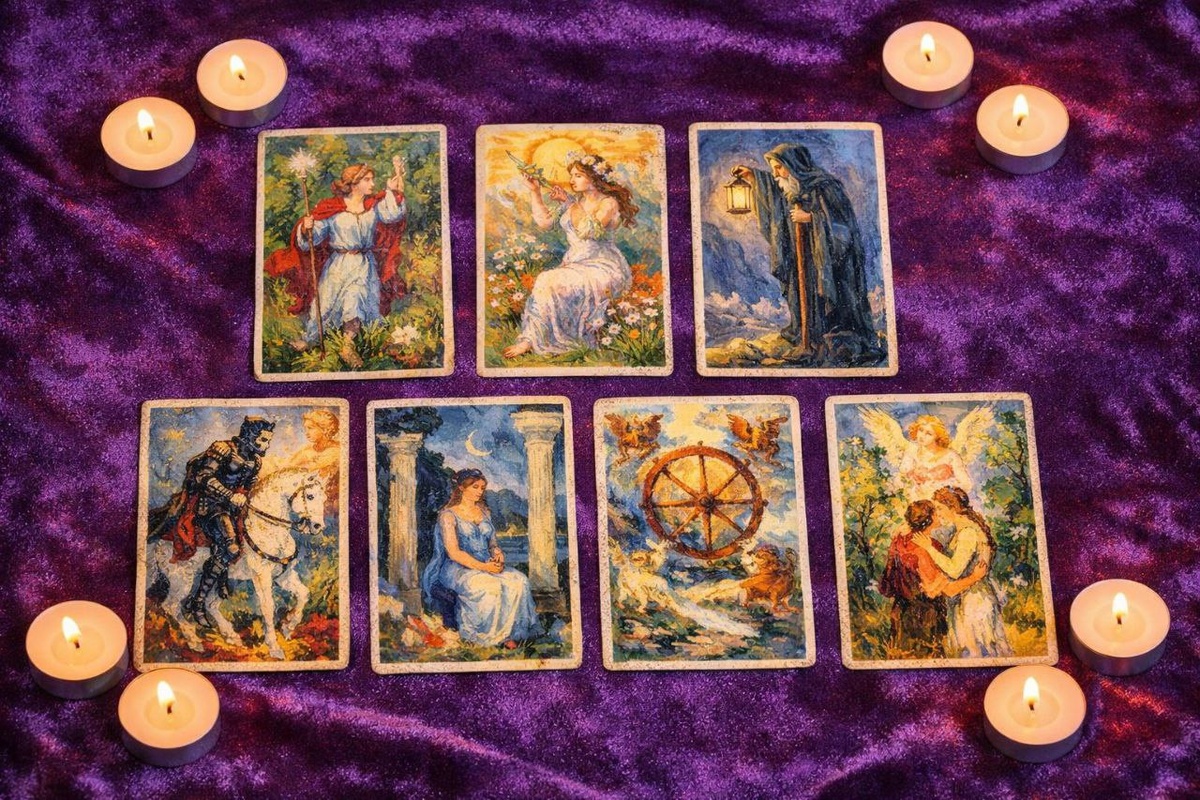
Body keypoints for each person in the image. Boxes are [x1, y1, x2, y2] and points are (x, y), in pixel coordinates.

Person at [732, 143, 881, 365]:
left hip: (831, 265)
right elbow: (776, 193)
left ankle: (829, 341)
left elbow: (845, 229)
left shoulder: (827, 187)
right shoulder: (792, 187)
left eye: (779, 167)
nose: (775, 174)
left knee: (831, 304)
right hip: (802, 260)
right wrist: (753, 177)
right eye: (773, 169)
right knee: (801, 293)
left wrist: (813, 219)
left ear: (795, 166)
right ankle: (806, 338)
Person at [265, 159, 408, 368]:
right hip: (338, 265)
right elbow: (312, 240)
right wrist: (307, 227)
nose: (372, 183)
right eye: (367, 180)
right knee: (326, 305)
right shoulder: (332, 209)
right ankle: (311, 339)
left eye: (372, 179)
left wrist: (393, 186)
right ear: (354, 184)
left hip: (364, 265)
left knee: (355, 297)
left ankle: (347, 345)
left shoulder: (373, 207)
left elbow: (393, 214)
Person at [502, 153, 636, 358]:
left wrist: (570, 203)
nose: (572, 180)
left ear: (594, 177)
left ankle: (537, 340)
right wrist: (535, 192)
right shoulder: (575, 201)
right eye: (571, 175)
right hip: (575, 265)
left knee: (549, 279)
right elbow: (545, 223)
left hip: (603, 266)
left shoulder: (608, 203)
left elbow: (589, 231)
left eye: (578, 175)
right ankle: (531, 338)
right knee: (547, 280)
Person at [148, 416, 276, 628]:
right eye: (263, 440)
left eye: (268, 441)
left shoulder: (256, 461)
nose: (266, 445)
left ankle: (220, 578)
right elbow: (203, 476)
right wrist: (229, 495)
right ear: (250, 435)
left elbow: (248, 487)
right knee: (232, 549)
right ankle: (197, 602)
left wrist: (245, 498)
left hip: (234, 509)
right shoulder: (222, 449)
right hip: (209, 506)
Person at [420, 469, 541, 647]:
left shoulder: (484, 512)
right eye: (475, 487)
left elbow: (492, 544)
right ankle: (484, 637)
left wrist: (498, 554)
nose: (480, 491)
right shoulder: (448, 515)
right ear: (461, 487)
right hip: (457, 567)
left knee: (519, 581)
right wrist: (485, 567)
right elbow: (454, 552)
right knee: (489, 587)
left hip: (485, 562)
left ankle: (512, 633)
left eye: (482, 488)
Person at [912, 486, 1014, 658]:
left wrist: (929, 548)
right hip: (967, 598)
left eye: (940, 508)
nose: (937, 514)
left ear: (953, 507)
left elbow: (954, 570)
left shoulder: (968, 532)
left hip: (975, 602)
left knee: (978, 652)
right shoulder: (962, 530)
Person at [878, 500, 989, 657]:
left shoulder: (900, 539)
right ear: (929, 520)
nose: (939, 515)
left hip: (900, 612)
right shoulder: (923, 551)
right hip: (923, 618)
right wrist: (975, 577)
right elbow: (948, 590)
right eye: (936, 512)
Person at [898, 415, 972, 502]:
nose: (922, 436)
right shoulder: (911, 453)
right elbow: (901, 479)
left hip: (942, 502)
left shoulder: (950, 456)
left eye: (929, 433)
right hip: (916, 501)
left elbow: (966, 484)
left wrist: (942, 490)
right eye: (921, 430)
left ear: (937, 437)